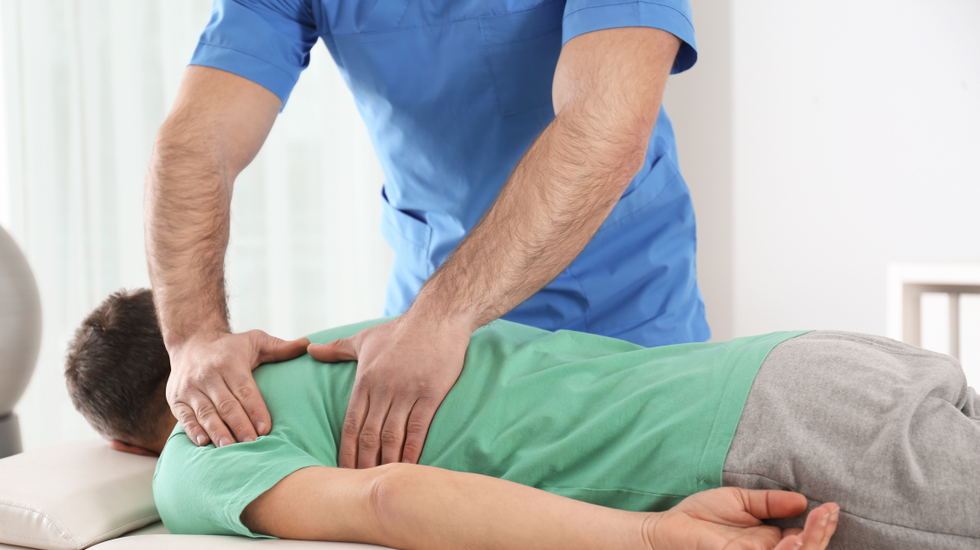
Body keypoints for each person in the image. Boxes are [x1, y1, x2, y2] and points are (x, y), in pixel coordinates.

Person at [145, 0, 709, 470]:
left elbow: (603, 127)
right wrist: (193, 337)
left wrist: (443, 315)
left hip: (619, 306)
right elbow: (196, 142)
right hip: (424, 327)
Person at [65, 290, 980, 550]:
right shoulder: (331, 344)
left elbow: (389, 495)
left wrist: (657, 536)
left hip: (768, 432)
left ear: (126, 445)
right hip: (818, 363)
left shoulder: (190, 461)